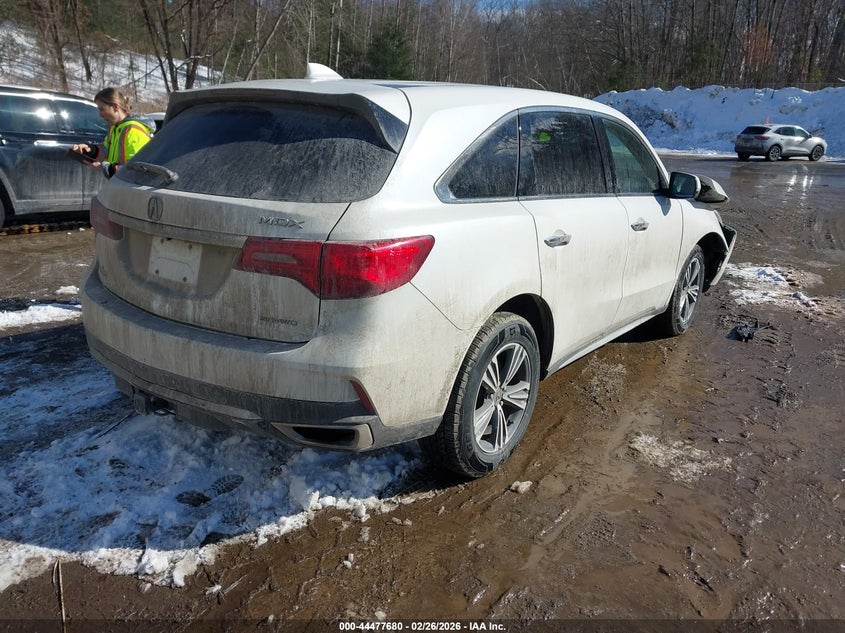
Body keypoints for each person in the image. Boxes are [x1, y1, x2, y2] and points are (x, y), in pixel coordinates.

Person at [71, 87, 153, 178]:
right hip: (118, 185)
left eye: (102, 109)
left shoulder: (133, 131)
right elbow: (106, 152)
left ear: (115, 107)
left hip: (129, 188)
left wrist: (105, 168)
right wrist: (90, 150)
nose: (100, 115)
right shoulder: (115, 129)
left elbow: (136, 170)